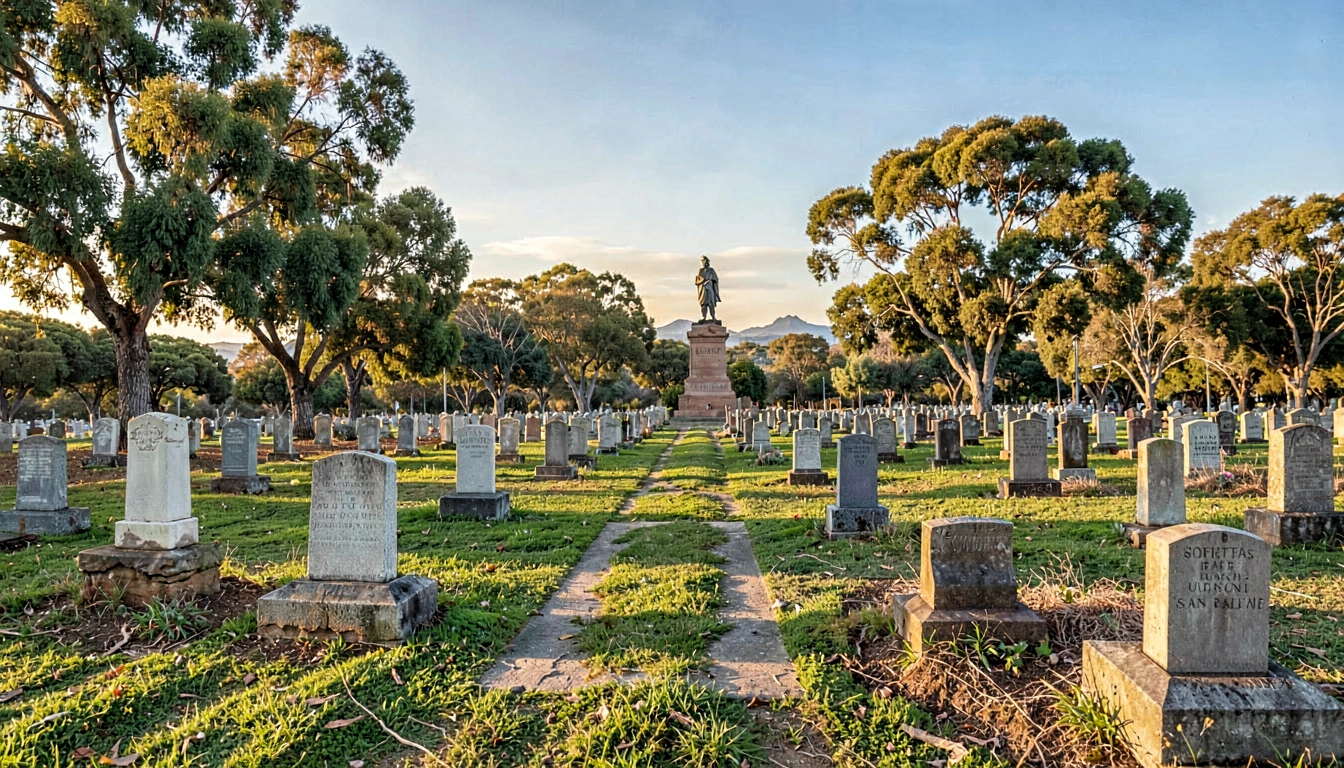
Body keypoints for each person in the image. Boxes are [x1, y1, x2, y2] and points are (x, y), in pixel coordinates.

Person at [696, 255, 720, 322]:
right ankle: (704, 317)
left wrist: (711, 280)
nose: (704, 263)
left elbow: (716, 279)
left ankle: (713, 317)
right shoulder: (701, 271)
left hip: (710, 289)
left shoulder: (711, 270)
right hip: (703, 289)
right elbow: (697, 280)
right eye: (703, 261)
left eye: (705, 261)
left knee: (711, 304)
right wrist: (703, 281)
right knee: (704, 304)